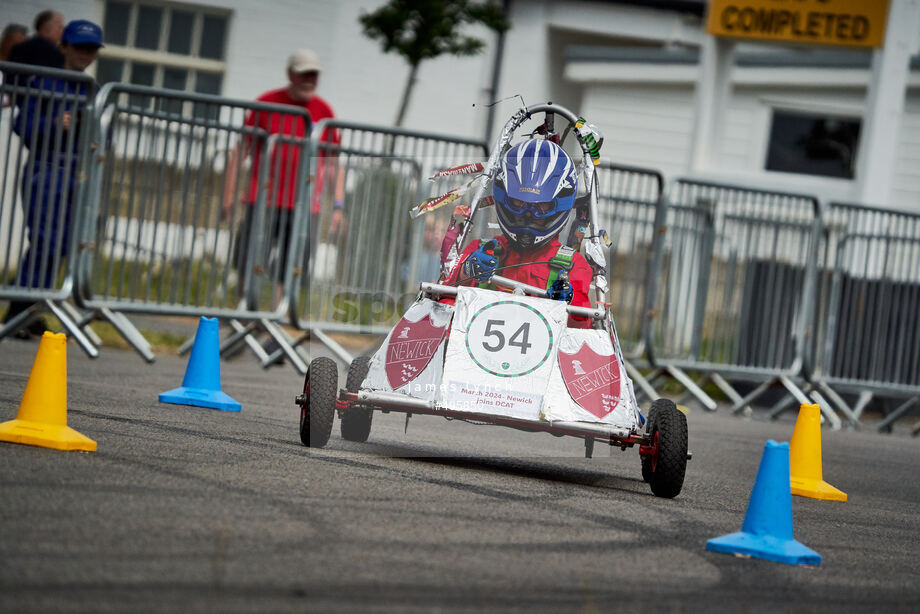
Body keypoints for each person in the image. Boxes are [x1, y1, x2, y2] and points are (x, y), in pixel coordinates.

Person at [2, 20, 102, 337]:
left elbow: (104, 135)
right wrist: (56, 123)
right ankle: (18, 313)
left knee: (60, 248)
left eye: (91, 49)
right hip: (46, 170)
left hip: (78, 175)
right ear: (64, 47)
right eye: (80, 47)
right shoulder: (45, 81)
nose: (85, 54)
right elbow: (23, 127)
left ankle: (30, 313)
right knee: (44, 242)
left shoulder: (93, 91)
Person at [223, 48, 345, 292]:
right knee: (250, 259)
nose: (310, 80)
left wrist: (339, 206)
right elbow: (241, 152)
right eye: (304, 74)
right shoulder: (266, 103)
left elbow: (333, 164)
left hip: (305, 204)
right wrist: (228, 195)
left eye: (314, 75)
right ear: (291, 74)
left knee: (292, 267)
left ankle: (276, 320)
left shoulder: (324, 111)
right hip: (263, 199)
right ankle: (246, 314)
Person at [443, 140, 593, 328]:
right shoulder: (480, 250)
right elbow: (440, 306)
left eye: (541, 206)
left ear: (558, 204)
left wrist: (566, 303)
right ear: (505, 197)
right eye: (518, 203)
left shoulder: (574, 266)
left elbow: (582, 332)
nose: (528, 215)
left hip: (543, 355)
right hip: (470, 354)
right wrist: (464, 273)